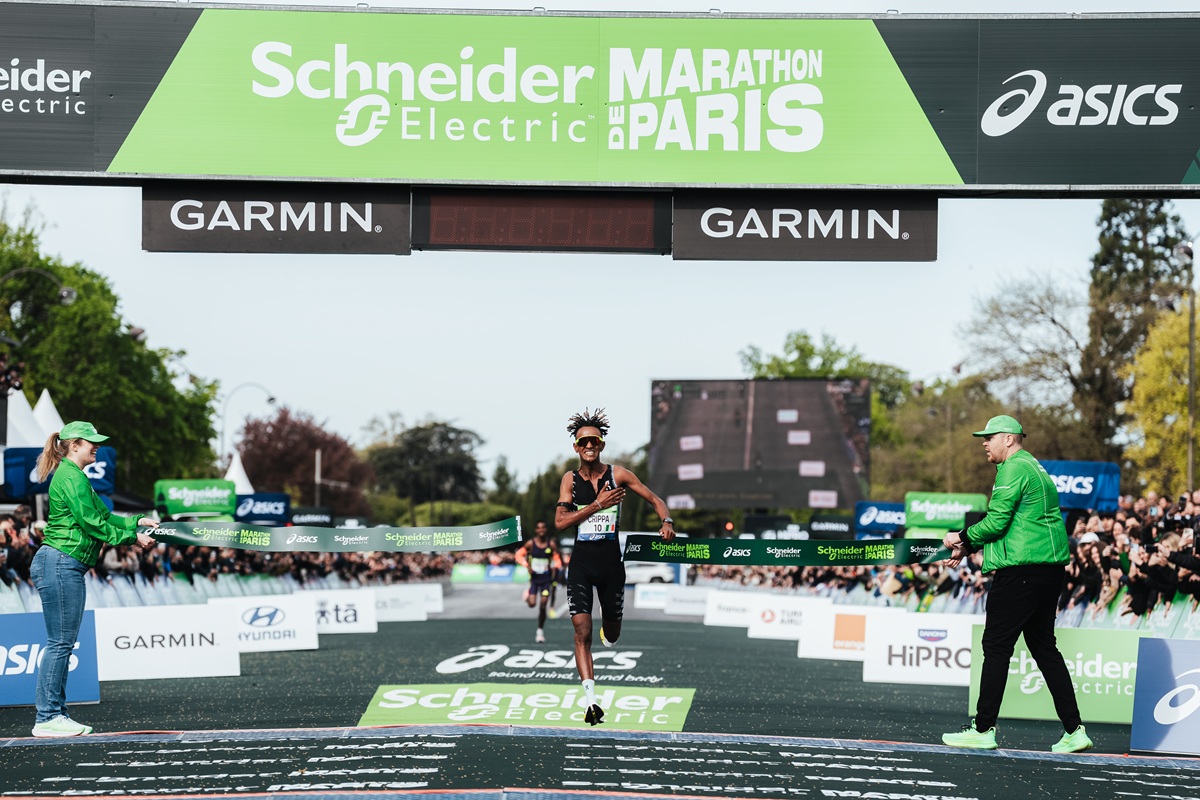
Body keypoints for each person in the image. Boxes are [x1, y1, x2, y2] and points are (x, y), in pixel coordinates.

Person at [940, 415, 1093, 753]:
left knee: (996, 646)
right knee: (1044, 648)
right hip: (1047, 569)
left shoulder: (1012, 469)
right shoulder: (1033, 466)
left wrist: (960, 537)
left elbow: (997, 522)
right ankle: (1074, 730)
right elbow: (1013, 524)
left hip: (1022, 571)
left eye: (989, 437)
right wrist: (969, 547)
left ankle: (983, 729)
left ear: (1008, 438)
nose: (984, 443)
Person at [30, 421, 159, 738]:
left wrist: (137, 521)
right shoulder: (71, 477)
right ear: (74, 445)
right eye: (92, 442)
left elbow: (104, 516)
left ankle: (54, 715)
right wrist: (133, 538)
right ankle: (48, 717)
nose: (97, 446)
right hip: (61, 563)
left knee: (62, 643)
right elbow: (92, 523)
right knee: (60, 643)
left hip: (61, 563)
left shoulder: (75, 476)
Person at [555, 408, 674, 726]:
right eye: (584, 442)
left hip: (611, 566)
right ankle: (591, 702)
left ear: (602, 445)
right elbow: (561, 522)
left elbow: (655, 499)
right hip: (581, 565)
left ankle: (610, 630)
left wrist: (666, 520)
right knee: (582, 632)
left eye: (594, 441)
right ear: (576, 447)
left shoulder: (617, 474)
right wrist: (597, 505)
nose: (589, 446)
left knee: (612, 634)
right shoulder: (570, 480)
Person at [514, 520, 563, 642]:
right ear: (536, 530)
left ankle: (540, 631)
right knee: (532, 604)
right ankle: (527, 595)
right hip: (534, 580)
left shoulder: (551, 544)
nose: (541, 530)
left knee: (543, 605)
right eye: (539, 528)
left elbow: (558, 560)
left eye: (543, 528)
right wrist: (527, 565)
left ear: (546, 530)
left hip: (546, 579)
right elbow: (518, 555)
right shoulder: (531, 543)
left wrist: (555, 566)